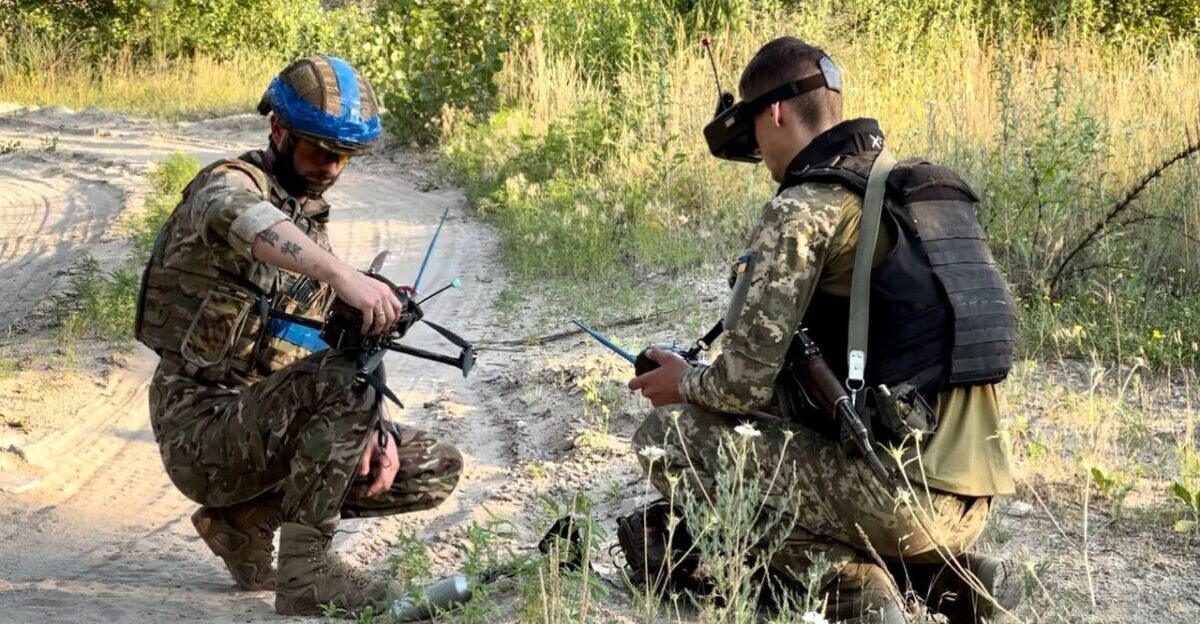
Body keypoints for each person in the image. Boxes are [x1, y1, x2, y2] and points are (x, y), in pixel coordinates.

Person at [628, 37, 1023, 623]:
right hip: (976, 494)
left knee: (664, 436)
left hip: (898, 497)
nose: (758, 152)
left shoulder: (805, 206)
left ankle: (855, 592)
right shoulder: (916, 193)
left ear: (776, 113)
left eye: (754, 129)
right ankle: (948, 577)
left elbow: (738, 387)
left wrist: (685, 382)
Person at [134, 55, 462, 616]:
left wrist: (373, 424)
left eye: (345, 157)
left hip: (263, 421)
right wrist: (341, 276)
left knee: (429, 465)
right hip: (200, 424)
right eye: (319, 150)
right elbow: (248, 220)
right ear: (278, 130)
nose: (331, 168)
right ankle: (307, 575)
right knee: (342, 383)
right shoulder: (227, 185)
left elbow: (334, 350)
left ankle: (244, 522)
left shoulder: (308, 220)